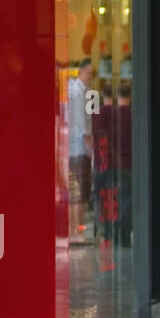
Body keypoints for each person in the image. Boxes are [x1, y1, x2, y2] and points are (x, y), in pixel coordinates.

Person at [67, 58, 94, 239]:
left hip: (77, 148)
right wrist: (88, 140)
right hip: (78, 148)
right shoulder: (77, 91)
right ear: (82, 71)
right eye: (90, 73)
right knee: (78, 190)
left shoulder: (81, 91)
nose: (91, 77)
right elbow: (79, 121)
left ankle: (76, 228)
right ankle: (76, 228)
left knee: (78, 190)